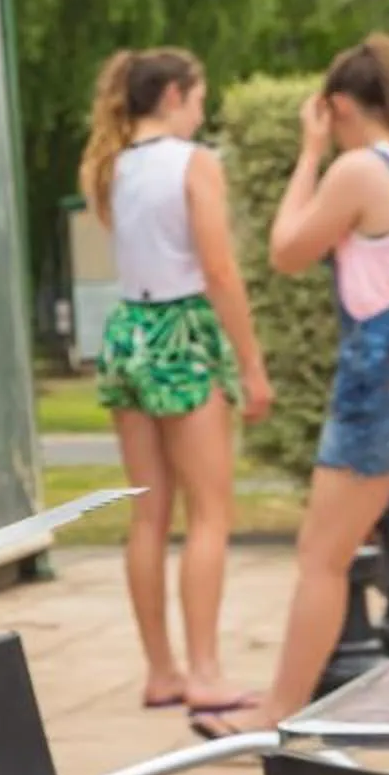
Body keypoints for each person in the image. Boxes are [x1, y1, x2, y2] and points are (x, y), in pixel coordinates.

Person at [195, 36, 389, 738]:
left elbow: (287, 251)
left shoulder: (360, 169)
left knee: (322, 557)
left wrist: (310, 151)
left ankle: (277, 714)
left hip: (380, 386)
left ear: (339, 105)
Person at [81, 48, 273, 717]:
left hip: (127, 329)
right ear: (171, 95)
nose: (202, 110)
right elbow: (219, 270)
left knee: (148, 515)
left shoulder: (110, 166)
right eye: (199, 97)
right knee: (211, 513)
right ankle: (207, 673)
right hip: (183, 331)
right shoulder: (194, 163)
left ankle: (161, 671)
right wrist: (251, 364)